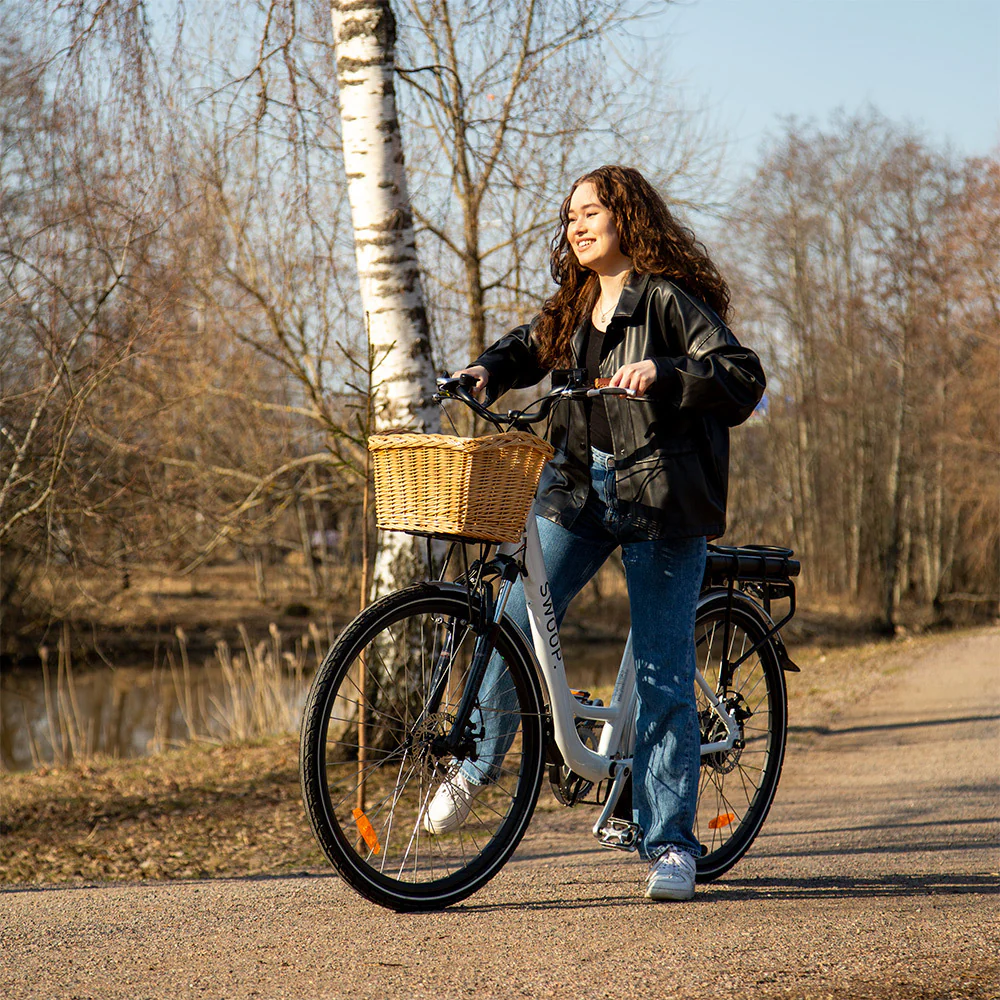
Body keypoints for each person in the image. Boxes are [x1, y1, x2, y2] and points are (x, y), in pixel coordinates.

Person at [423, 165, 765, 902]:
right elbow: (526, 345)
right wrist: (486, 371)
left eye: (591, 213)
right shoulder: (576, 303)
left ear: (627, 220)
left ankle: (670, 843)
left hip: (660, 496)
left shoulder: (669, 300)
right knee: (511, 621)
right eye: (570, 216)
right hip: (580, 486)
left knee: (663, 671)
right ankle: (476, 765)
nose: (576, 226)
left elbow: (739, 374)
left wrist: (666, 373)